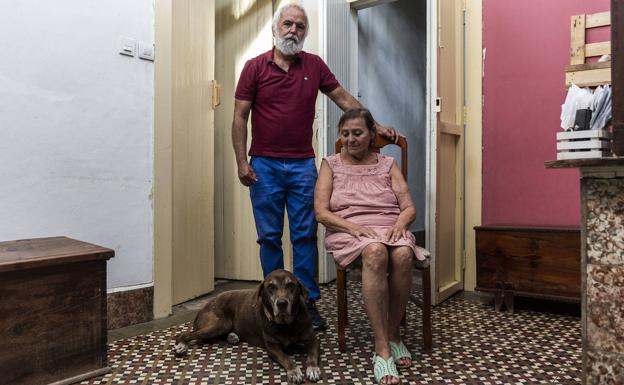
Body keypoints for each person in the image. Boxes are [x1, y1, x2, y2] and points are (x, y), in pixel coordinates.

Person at [231, 3, 396, 331]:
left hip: (303, 165)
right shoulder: (253, 67)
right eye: (288, 24)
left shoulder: (315, 65)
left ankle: (305, 307)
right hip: (263, 165)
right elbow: (239, 117)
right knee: (269, 237)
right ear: (276, 29)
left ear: (305, 33)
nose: (294, 30)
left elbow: (345, 100)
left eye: (301, 27)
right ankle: (271, 309)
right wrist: (241, 161)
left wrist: (375, 126)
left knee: (305, 235)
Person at [314, 108, 427, 385]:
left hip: (389, 227)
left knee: (402, 254)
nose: (351, 139)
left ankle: (394, 334)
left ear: (371, 135)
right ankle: (382, 348)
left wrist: (401, 224)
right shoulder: (330, 164)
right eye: (345, 134)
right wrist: (353, 227)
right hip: (349, 230)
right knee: (375, 251)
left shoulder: (387, 164)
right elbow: (321, 212)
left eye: (357, 133)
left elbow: (409, 207)